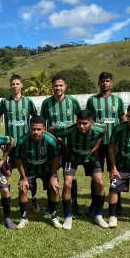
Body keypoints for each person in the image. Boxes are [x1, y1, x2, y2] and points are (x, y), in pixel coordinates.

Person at [54, 110, 105, 230]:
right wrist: (63, 145)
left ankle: (99, 215)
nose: (81, 126)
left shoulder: (99, 128)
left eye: (85, 123)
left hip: (90, 157)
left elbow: (104, 130)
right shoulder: (70, 129)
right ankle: (68, 216)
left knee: (100, 182)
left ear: (92, 122)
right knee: (67, 183)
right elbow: (53, 130)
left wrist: (97, 145)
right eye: (79, 123)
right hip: (73, 157)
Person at [40, 73, 83, 216]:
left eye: (60, 85)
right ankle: (51, 204)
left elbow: (82, 120)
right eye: (55, 85)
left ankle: (74, 204)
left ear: (65, 86)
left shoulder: (73, 102)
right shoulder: (46, 103)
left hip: (69, 146)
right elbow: (43, 125)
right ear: (52, 87)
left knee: (71, 176)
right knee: (51, 174)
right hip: (52, 146)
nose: (58, 88)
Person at [0, 74, 39, 211]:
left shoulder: (28, 102)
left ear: (22, 85)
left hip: (25, 145)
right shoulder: (4, 102)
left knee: (28, 174)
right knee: (7, 173)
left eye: (17, 84)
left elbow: (36, 119)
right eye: (12, 84)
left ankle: (34, 201)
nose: (15, 86)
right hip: (9, 145)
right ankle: (6, 202)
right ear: (10, 86)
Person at [85, 72, 126, 216]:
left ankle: (117, 203)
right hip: (97, 144)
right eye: (102, 81)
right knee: (95, 175)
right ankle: (94, 204)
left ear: (111, 83)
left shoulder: (118, 100)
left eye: (107, 81)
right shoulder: (92, 100)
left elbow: (122, 120)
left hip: (114, 144)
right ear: (99, 83)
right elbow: (88, 121)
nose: (104, 83)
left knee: (115, 173)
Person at [14, 116, 61, 229]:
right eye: (33, 129)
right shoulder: (22, 141)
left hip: (47, 169)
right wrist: (23, 177)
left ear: (44, 128)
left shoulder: (51, 140)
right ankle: (24, 218)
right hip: (29, 170)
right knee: (23, 188)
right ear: (29, 128)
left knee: (55, 187)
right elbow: (18, 159)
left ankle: (54, 216)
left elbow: (56, 158)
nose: (36, 132)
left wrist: (53, 176)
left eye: (38, 129)